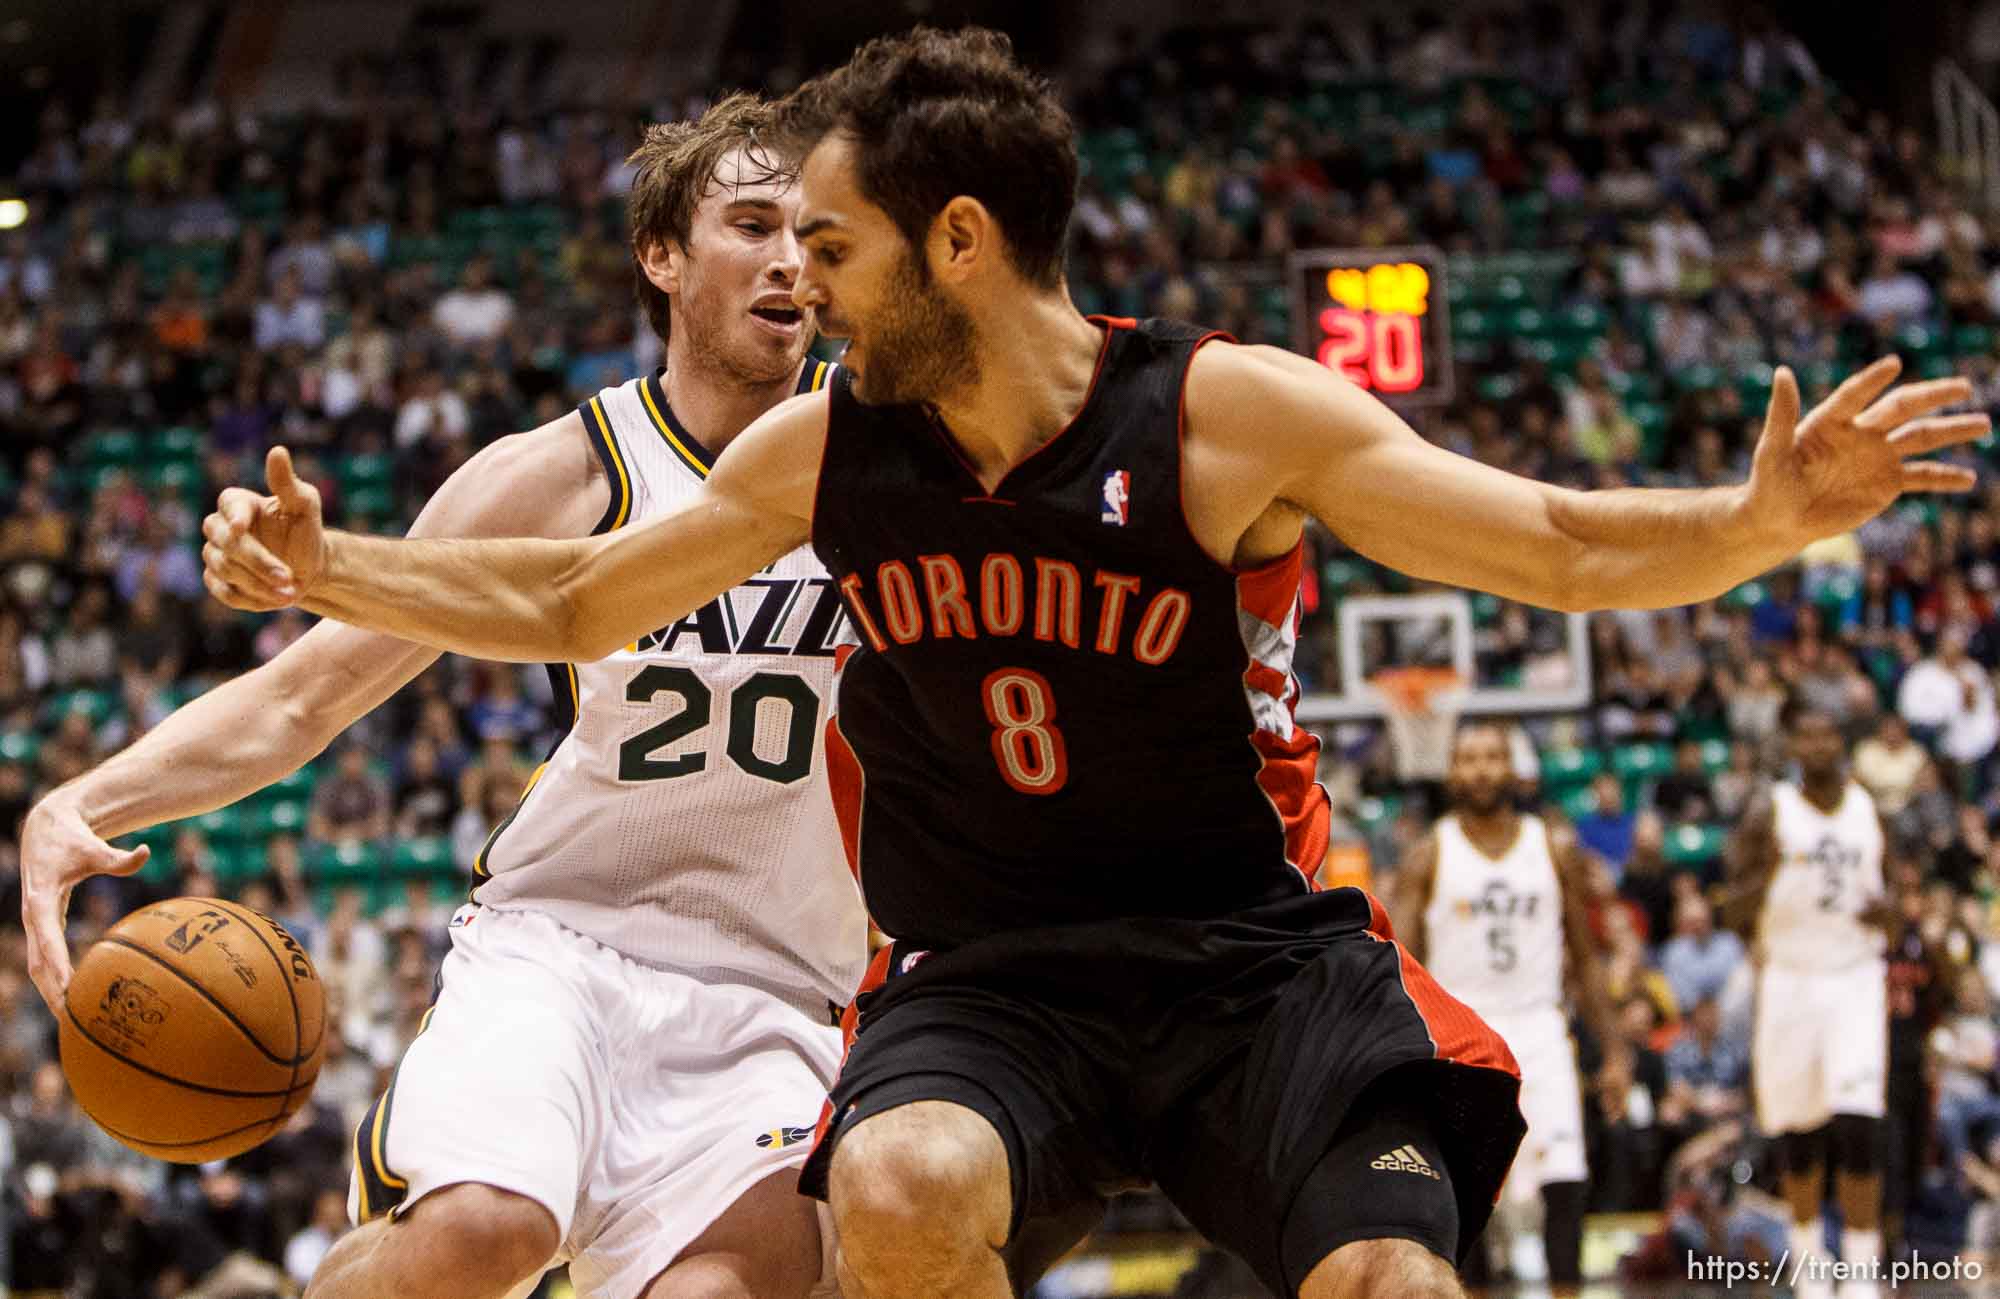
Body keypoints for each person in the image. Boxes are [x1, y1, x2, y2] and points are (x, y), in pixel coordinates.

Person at [199, 29, 1987, 1299]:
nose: (807, 286)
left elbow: (1555, 543)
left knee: (1387, 1271)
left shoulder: (1222, 414)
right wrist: (335, 561)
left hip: (1251, 959)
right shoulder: (826, 449)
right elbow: (585, 595)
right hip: (993, 978)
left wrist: (1763, 519)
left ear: (954, 243)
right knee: (895, 1187)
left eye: (833, 246)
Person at [23, 94, 859, 1299]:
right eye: (749, 224)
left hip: (780, 989)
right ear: (661, 256)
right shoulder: (565, 474)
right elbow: (304, 698)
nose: (789, 260)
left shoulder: (892, 469)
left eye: (812, 236)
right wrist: (87, 797)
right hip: (563, 946)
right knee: (481, 1233)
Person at [1391, 723, 1624, 1290]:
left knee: (1566, 1183)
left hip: (1541, 1026)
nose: (1481, 770)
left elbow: (1587, 959)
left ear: (1513, 770)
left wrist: (1615, 1052)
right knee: (1469, 1200)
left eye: (1493, 757)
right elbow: (1398, 966)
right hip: (1462, 1037)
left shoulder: (1552, 847)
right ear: (1451, 772)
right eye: (1469, 759)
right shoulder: (1429, 854)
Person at [1726, 704, 1894, 1299]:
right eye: (1808, 735)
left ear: (1841, 742)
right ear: (1794, 744)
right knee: (1799, 1133)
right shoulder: (1770, 812)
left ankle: (1862, 1270)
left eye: (1828, 733)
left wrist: (1893, 914)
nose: (1819, 744)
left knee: (1859, 1121)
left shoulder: (1869, 808)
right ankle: (1809, 1264)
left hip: (1855, 976)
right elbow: (1733, 908)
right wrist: (1763, 880)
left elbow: (1899, 898)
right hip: (1790, 978)